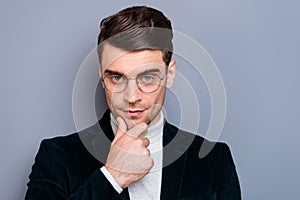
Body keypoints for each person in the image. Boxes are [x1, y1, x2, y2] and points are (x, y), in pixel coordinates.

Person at [25, 5, 241, 200]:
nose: (131, 97)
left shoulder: (214, 160)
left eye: (147, 77)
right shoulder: (56, 157)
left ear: (170, 74)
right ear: (101, 75)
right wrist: (112, 177)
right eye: (117, 78)